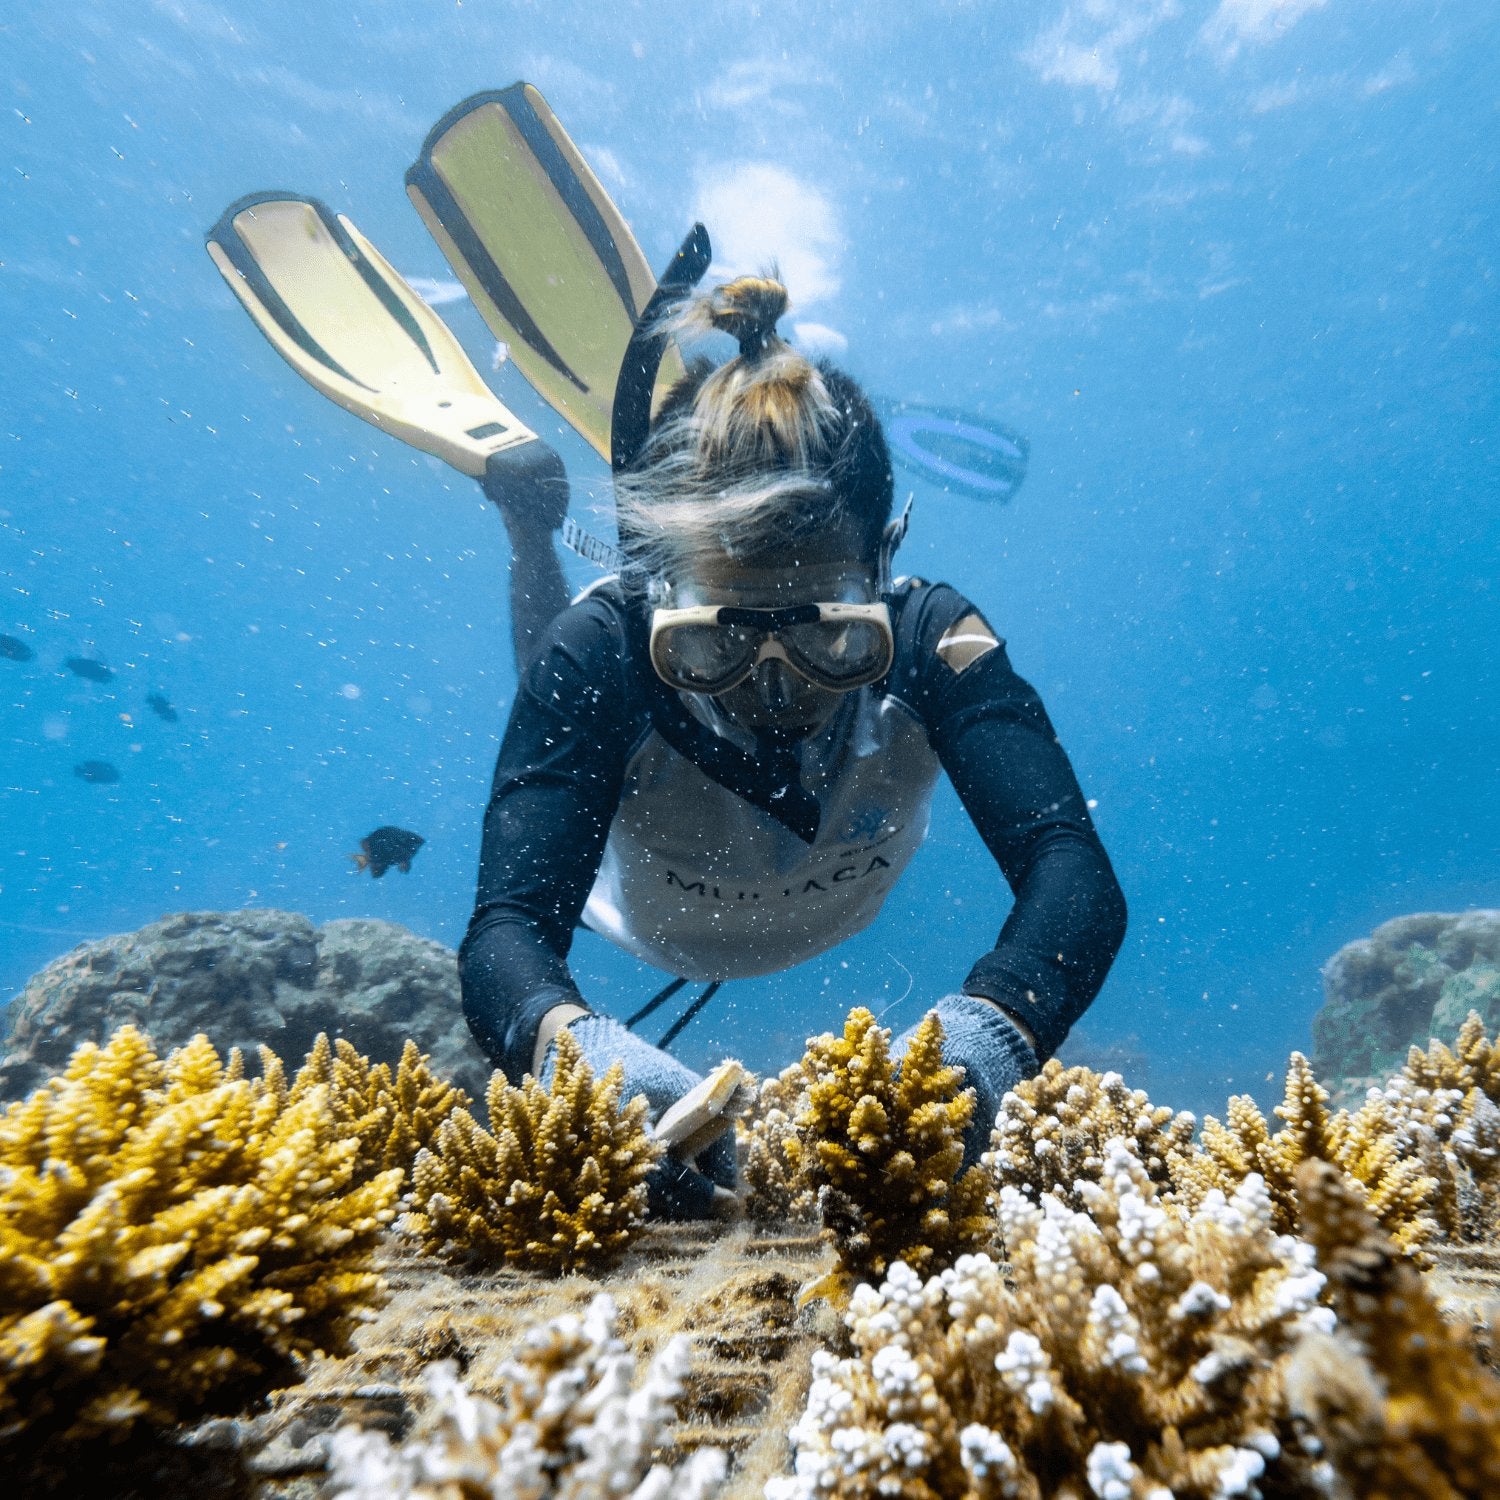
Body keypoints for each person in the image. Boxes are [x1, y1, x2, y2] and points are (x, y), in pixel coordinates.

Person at [458, 274, 1128, 1220]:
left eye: (831, 639)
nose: (778, 696)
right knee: (550, 663)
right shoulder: (605, 648)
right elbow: (507, 931)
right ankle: (533, 539)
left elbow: (1074, 878)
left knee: (572, 682)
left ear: (884, 569)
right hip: (646, 902)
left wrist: (980, 1047)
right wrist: (590, 1064)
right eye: (715, 643)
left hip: (681, 900)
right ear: (664, 592)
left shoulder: (936, 638)